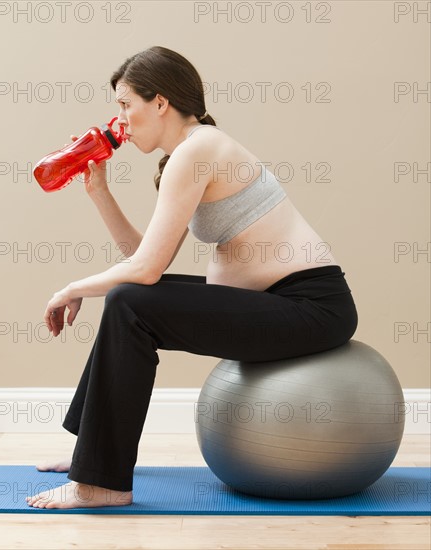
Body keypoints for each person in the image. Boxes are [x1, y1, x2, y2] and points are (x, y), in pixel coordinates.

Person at [26, 46, 358, 509]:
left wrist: (71, 288)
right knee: (128, 296)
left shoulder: (197, 150)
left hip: (310, 308)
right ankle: (93, 455)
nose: (118, 118)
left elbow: (145, 270)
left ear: (159, 102)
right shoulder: (191, 152)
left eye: (125, 104)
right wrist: (100, 192)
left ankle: (101, 480)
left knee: (127, 302)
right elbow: (143, 261)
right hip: (282, 303)